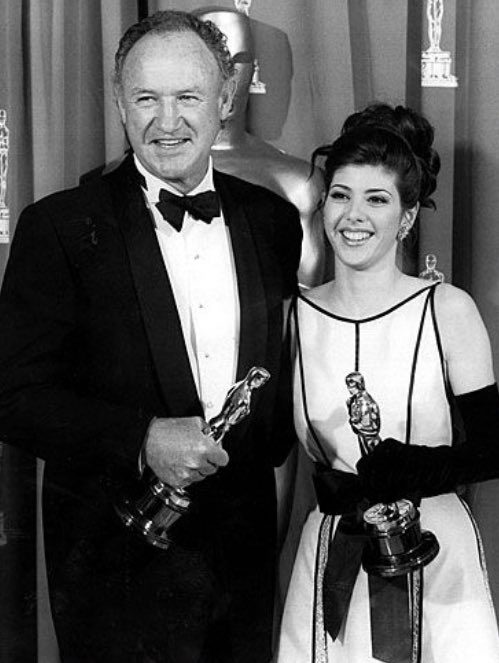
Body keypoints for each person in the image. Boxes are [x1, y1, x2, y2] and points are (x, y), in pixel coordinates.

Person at [0, 10, 302, 663]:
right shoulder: (58, 227)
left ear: (225, 100)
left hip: (243, 571)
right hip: (116, 577)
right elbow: (14, 396)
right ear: (119, 103)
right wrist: (140, 438)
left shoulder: (273, 220)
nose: (167, 121)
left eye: (188, 97)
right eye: (146, 98)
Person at [277, 102, 499, 662]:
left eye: (376, 199)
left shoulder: (447, 309)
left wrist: (421, 467)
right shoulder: (292, 316)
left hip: (436, 553)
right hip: (333, 551)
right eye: (341, 195)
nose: (353, 215)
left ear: (406, 217)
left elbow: (495, 446)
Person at [193, 6, 327, 288]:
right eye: (211, 61)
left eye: (239, 61)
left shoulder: (298, 182)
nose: (226, 76)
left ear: (254, 67)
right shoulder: (144, 171)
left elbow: (304, 301)